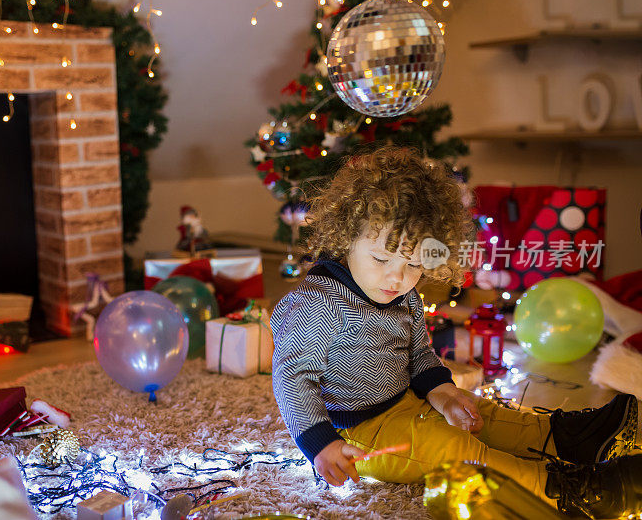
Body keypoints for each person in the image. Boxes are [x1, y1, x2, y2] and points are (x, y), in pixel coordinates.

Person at [270, 146, 640, 518]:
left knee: (485, 416)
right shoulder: (317, 304)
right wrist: (321, 445)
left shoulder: (405, 295)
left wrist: (444, 394)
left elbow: (420, 356)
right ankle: (562, 489)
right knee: (454, 448)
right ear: (347, 236)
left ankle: (576, 438)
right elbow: (292, 379)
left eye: (413, 264)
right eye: (382, 259)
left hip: (406, 402)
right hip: (359, 433)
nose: (397, 277)